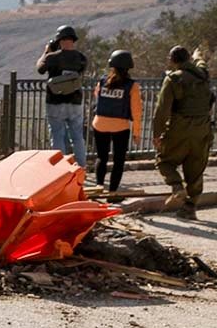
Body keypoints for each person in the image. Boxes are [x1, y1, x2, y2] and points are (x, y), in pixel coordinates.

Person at [152, 45, 216, 220]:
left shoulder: (173, 79)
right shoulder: (203, 74)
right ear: (188, 59)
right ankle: (190, 207)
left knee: (164, 161)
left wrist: (157, 134)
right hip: (202, 128)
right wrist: (198, 55)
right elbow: (201, 62)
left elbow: (162, 110)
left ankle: (177, 186)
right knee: (195, 169)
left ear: (172, 60)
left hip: (179, 128)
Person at [36, 25, 89, 166]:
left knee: (57, 135)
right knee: (77, 137)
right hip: (75, 101)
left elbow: (40, 69)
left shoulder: (52, 57)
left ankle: (61, 168)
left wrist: (46, 52)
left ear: (59, 40)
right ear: (73, 40)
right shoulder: (81, 58)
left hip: (55, 102)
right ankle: (81, 167)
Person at [91, 50, 142, 194]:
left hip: (99, 123)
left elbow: (97, 98)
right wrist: (137, 133)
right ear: (129, 67)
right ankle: (113, 192)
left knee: (102, 156)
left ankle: (99, 186)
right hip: (120, 126)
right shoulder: (132, 86)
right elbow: (137, 111)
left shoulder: (102, 81)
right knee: (118, 161)